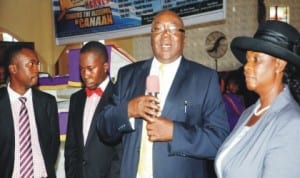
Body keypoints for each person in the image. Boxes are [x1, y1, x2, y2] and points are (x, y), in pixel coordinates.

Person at [97, 10, 229, 178]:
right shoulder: (127, 75)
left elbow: (219, 140)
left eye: (173, 29)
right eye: (158, 29)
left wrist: (175, 132)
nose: (165, 35)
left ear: (184, 39)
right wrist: (129, 110)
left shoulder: (205, 78)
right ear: (151, 37)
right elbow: (103, 128)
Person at [215, 20, 300, 178]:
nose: (246, 66)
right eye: (247, 59)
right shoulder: (248, 113)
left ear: (279, 65)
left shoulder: (291, 124)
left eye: (256, 60)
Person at [0, 44, 60, 177]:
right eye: (31, 64)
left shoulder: (47, 102)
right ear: (13, 68)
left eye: (37, 64)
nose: (36, 69)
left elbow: (53, 145)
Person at [64, 41, 122, 178]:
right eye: (81, 69)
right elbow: (71, 146)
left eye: (91, 68)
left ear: (105, 66)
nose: (85, 74)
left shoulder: (119, 96)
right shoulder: (76, 99)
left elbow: (121, 150)